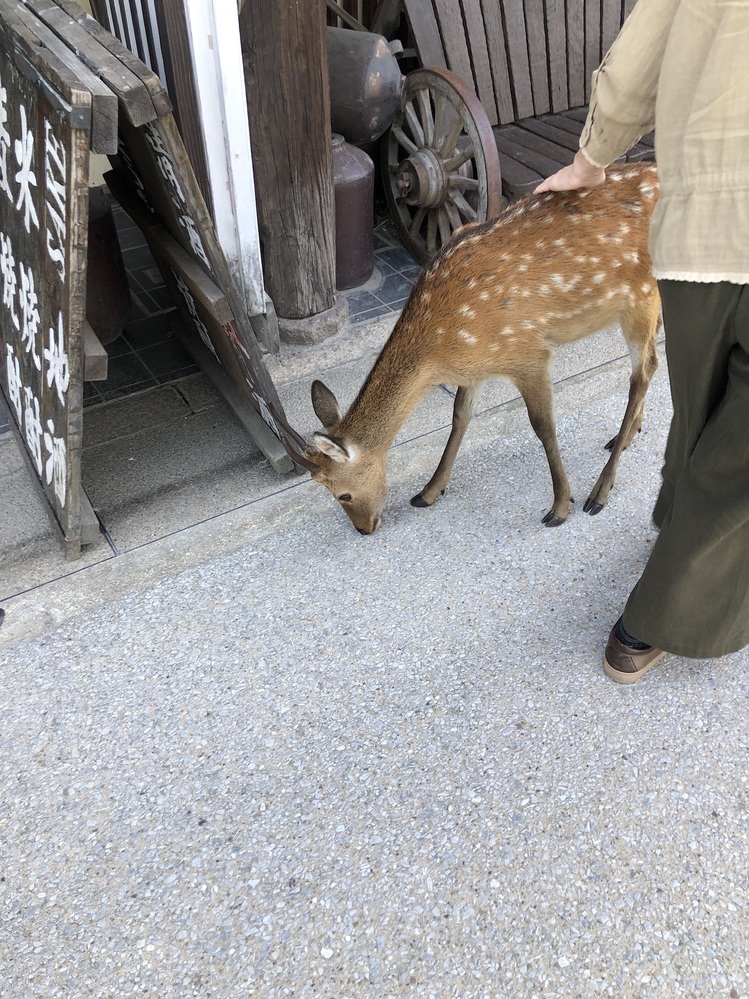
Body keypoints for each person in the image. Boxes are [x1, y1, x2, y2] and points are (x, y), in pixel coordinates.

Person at [535, 0, 749, 682]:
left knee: (703, 407)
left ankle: (673, 529)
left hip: (694, 235)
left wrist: (592, 157)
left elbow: (637, 59)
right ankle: (653, 616)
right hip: (703, 228)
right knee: (734, 452)